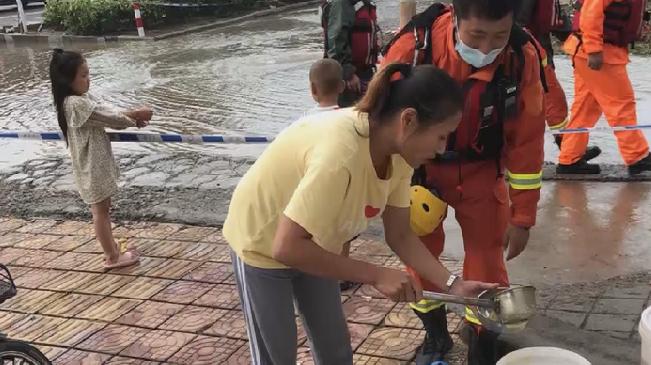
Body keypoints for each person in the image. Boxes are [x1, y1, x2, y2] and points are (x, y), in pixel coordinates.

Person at [222, 63, 498, 365]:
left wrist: (454, 286)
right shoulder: (341, 154)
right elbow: (285, 247)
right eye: (441, 136)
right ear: (408, 120)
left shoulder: (401, 153)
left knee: (335, 348)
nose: (443, 149)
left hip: (312, 241)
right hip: (262, 241)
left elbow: (401, 234)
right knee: (277, 355)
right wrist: (376, 274)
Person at [382, 0, 546, 364]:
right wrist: (384, 191)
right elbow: (381, 126)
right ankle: (435, 337)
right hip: (420, 173)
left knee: (488, 265)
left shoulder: (522, 55)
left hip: (483, 172)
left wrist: (523, 216)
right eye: (476, 35)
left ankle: (482, 346)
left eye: (499, 36)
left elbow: (528, 140)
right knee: (420, 256)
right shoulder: (412, 48)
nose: (486, 49)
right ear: (454, 17)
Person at [49, 49, 152, 269]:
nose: (88, 79)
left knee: (103, 207)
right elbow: (109, 117)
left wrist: (132, 118)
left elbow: (107, 111)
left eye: (88, 74)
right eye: (83, 75)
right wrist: (136, 115)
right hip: (91, 165)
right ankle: (112, 256)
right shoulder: (75, 104)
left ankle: (112, 248)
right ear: (68, 80)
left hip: (94, 163)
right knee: (100, 211)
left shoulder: (79, 99)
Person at [556, 0, 651, 175]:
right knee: (621, 105)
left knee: (585, 108)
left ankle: (570, 159)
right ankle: (637, 157)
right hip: (600, 55)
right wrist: (594, 50)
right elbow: (590, 16)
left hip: (592, 54)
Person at [515, 0, 601, 160]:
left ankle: (569, 146)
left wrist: (583, 41)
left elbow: (559, 23)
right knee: (553, 103)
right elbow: (517, 25)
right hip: (530, 57)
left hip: (537, 54)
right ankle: (568, 148)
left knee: (544, 104)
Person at [321, 0, 381, 107]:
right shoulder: (341, 4)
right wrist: (348, 74)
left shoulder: (363, 3)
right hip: (349, 79)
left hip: (365, 73)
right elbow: (336, 42)